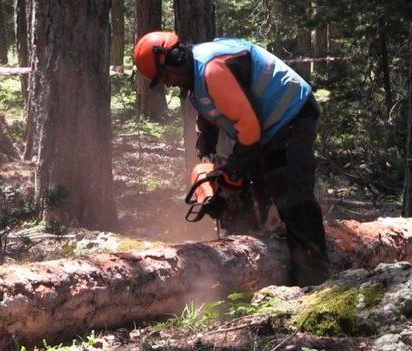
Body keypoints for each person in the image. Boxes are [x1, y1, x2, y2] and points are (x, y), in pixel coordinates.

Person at [133, 31, 327, 285]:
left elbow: (249, 128)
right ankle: (258, 266)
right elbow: (211, 111)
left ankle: (314, 280)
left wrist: (233, 169)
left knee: (292, 195)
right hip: (265, 127)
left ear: (176, 58)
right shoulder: (195, 77)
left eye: (167, 76)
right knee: (248, 189)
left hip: (291, 116)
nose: (168, 83)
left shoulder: (212, 70)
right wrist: (207, 151)